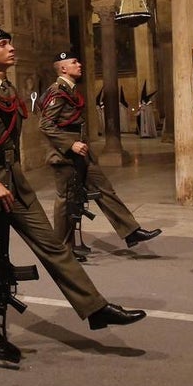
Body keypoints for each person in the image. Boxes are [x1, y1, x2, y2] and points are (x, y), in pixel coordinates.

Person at [0, 27, 145, 362]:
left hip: (15, 183)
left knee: (53, 245)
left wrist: (7, 180)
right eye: (3, 44)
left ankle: (94, 307)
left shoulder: (7, 89)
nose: (11, 48)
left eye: (10, 42)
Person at [38, 50, 160, 259]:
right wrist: (70, 144)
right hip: (65, 154)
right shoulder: (57, 91)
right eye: (74, 62)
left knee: (104, 188)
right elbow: (45, 125)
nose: (79, 64)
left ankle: (131, 231)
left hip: (81, 152)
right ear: (63, 68)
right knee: (67, 201)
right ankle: (62, 250)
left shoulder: (71, 90)